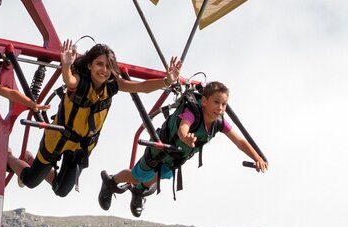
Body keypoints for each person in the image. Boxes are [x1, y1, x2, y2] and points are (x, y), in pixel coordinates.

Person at [4, 40, 181, 197]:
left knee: (61, 190)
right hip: (58, 138)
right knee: (30, 181)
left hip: (81, 147)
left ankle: (30, 160)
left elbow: (142, 87)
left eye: (107, 66)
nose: (103, 70)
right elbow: (69, 81)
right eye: (99, 64)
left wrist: (167, 81)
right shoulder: (80, 82)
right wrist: (66, 65)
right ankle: (9, 158)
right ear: (89, 65)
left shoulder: (112, 86)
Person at [98, 81, 267, 217]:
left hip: (175, 158)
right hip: (161, 149)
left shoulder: (219, 123)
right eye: (216, 102)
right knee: (136, 176)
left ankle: (138, 193)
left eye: (224, 104)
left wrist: (256, 157)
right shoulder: (192, 112)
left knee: (157, 177)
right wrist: (186, 137)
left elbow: (239, 141)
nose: (220, 108)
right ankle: (111, 182)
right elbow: (183, 129)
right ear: (204, 101)